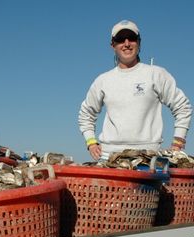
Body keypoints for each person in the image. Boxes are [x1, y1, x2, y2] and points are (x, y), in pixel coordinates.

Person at [78, 19, 192, 161]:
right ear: (113, 45)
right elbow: (86, 113)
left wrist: (178, 142)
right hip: (109, 158)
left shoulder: (156, 74)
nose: (126, 44)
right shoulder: (103, 80)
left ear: (139, 42)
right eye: (120, 39)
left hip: (148, 159)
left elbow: (182, 107)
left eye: (131, 38)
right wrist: (91, 142)